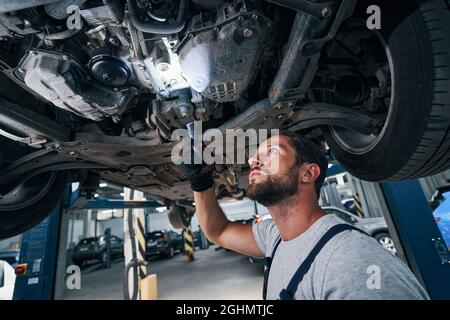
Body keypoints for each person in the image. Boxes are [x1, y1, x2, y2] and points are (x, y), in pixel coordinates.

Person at [179, 130, 429, 300]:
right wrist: (201, 182)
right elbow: (218, 231)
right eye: (256, 155)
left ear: (308, 174)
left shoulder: (352, 260)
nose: (253, 160)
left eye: (272, 152)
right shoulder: (274, 237)